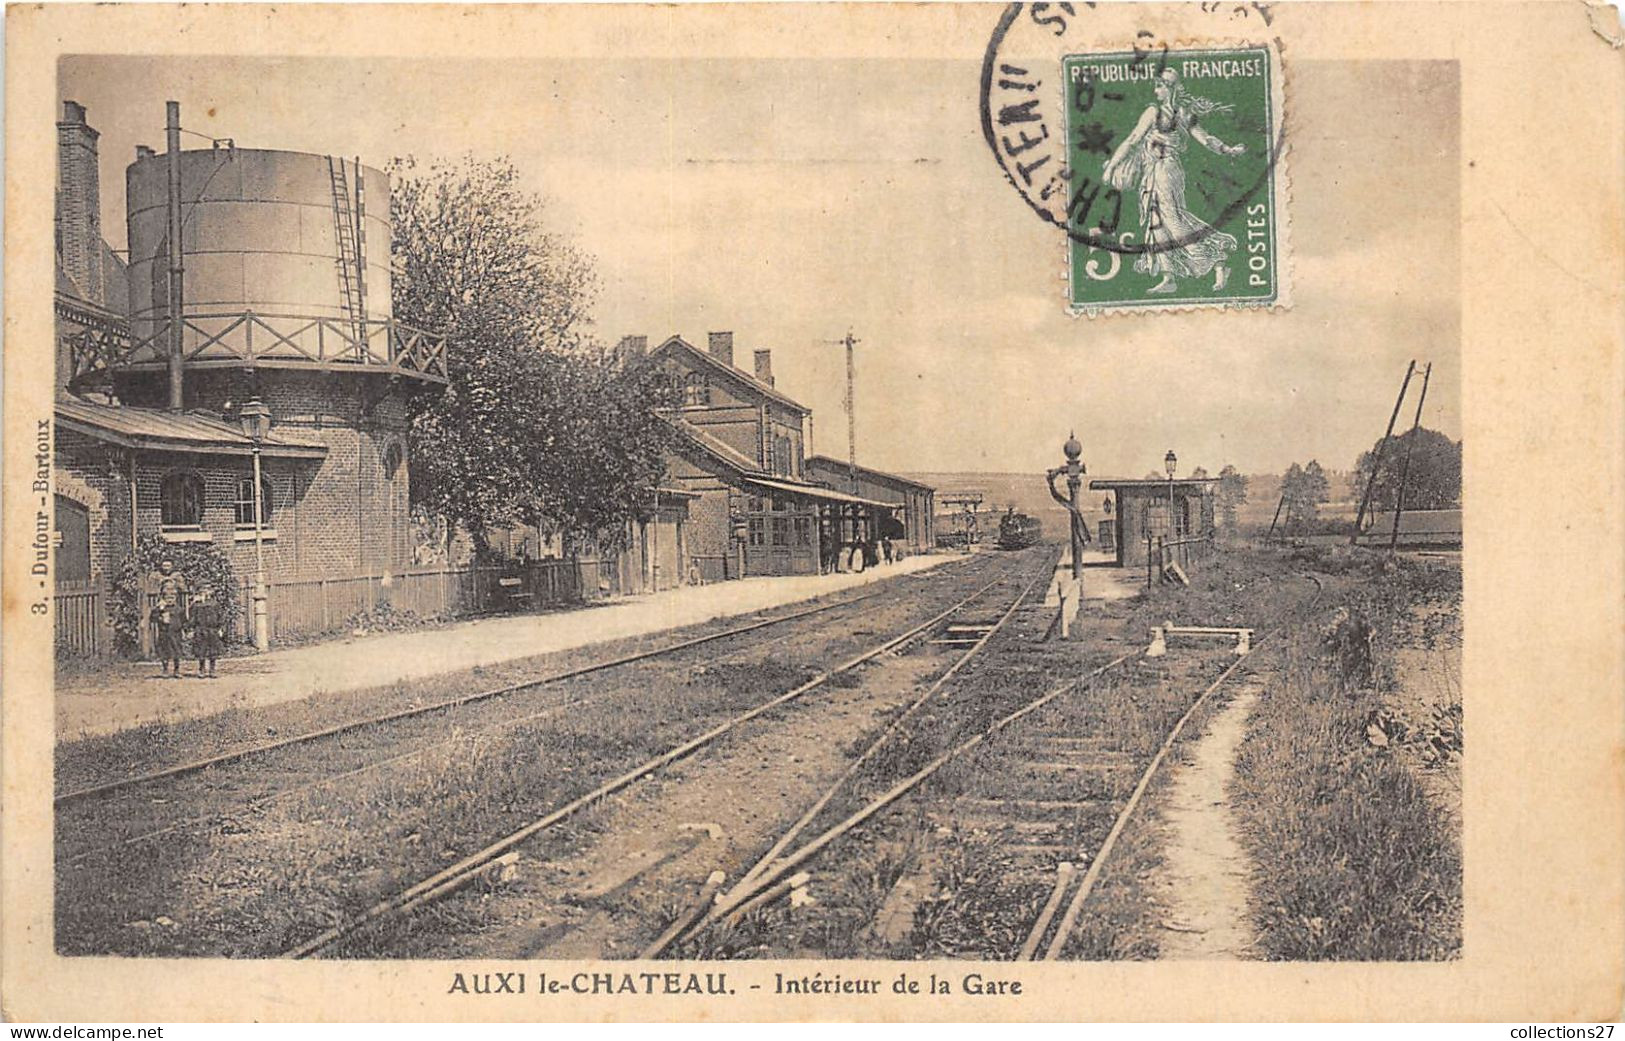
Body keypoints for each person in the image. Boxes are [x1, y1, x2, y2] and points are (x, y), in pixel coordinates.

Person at [1102, 67, 1246, 296]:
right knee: (1156, 219)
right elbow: (1206, 139)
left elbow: (1132, 140)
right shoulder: (1178, 113)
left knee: (1172, 219)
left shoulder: (1158, 112)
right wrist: (1227, 149)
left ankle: (1217, 259)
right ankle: (1168, 276)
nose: (1156, 90)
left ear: (1169, 89)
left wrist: (1111, 165)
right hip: (1154, 171)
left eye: (1159, 86)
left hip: (1165, 170)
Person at [188, 587, 226, 678]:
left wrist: (220, 628)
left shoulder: (215, 604)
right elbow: (192, 617)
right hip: (200, 630)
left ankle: (212, 670)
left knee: (213, 651)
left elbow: (220, 616)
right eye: (202, 591)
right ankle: (202, 670)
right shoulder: (196, 605)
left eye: (207, 591)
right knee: (201, 650)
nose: (205, 593)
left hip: (212, 630)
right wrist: (191, 629)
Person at [150, 596, 184, 677]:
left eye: (172, 598)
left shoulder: (179, 609)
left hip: (175, 633)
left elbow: (183, 620)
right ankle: (165, 670)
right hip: (164, 633)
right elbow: (152, 618)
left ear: (175, 599)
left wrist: (182, 629)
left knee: (176, 651)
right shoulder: (160, 609)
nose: (170, 600)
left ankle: (176, 670)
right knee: (164, 651)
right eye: (168, 598)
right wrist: (160, 611)